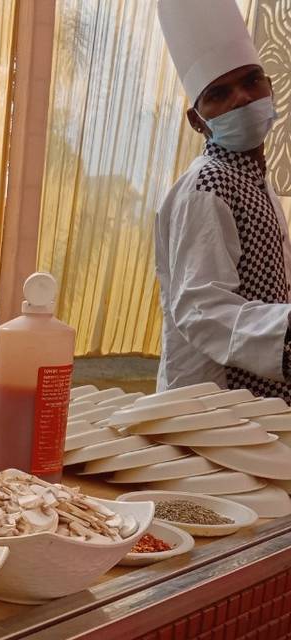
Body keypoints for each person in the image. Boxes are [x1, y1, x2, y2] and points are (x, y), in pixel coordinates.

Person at [155, 0, 290, 400]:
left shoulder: (255, 180)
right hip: (212, 409)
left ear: (270, 86)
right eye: (219, 93)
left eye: (251, 81)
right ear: (197, 120)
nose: (241, 99)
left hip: (258, 405)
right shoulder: (209, 185)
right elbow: (202, 308)